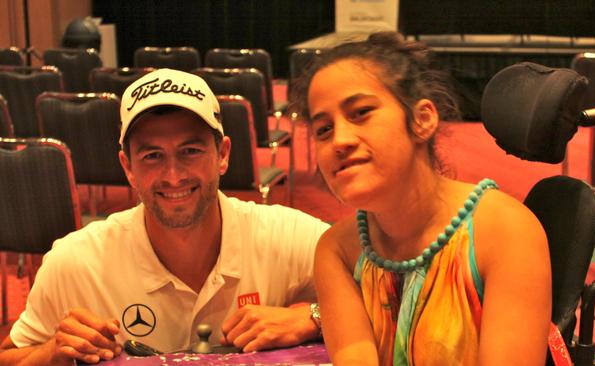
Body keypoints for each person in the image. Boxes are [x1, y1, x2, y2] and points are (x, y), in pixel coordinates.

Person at [0, 68, 330, 365]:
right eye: (152, 155)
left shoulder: (291, 237)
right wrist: (51, 353)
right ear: (127, 167)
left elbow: (380, 300)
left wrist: (314, 317)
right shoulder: (75, 263)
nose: (173, 176)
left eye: (190, 151)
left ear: (223, 154)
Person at [294, 32, 552, 365]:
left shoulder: (504, 231)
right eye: (323, 130)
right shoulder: (337, 250)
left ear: (422, 119)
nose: (339, 140)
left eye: (360, 112)